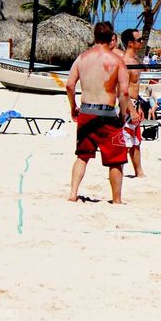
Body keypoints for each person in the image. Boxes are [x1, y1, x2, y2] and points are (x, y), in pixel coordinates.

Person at [66, 22, 130, 204]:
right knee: (116, 160)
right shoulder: (117, 61)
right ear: (111, 39)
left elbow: (69, 85)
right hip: (107, 113)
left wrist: (73, 106)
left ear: (94, 37)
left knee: (82, 156)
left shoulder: (82, 58)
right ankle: (116, 199)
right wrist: (123, 114)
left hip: (86, 111)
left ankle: (73, 193)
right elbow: (124, 92)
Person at [115, 29, 146, 178]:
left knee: (136, 141)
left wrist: (138, 106)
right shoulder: (125, 63)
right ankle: (118, 171)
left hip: (134, 102)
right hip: (125, 104)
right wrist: (131, 110)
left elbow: (135, 88)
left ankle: (138, 172)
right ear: (130, 43)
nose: (142, 42)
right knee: (124, 140)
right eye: (139, 40)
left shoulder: (135, 62)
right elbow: (122, 90)